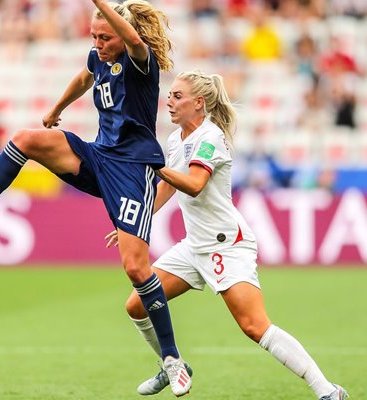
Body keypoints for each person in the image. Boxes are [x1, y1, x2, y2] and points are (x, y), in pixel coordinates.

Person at [0, 0, 192, 396]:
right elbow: (84, 77)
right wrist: (57, 109)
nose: (97, 43)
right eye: (93, 36)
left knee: (136, 269)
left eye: (104, 37)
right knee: (26, 138)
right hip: (99, 158)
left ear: (122, 35)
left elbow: (130, 36)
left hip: (133, 171)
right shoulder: (99, 57)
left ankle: (172, 359)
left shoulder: (139, 59)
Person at [105, 71, 349, 400]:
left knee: (255, 326)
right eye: (171, 94)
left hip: (226, 245)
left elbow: (193, 184)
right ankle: (172, 363)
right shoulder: (176, 139)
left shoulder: (211, 137)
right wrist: (138, 222)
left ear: (199, 103)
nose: (169, 100)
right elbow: (165, 187)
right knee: (137, 305)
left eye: (178, 96)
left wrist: (155, 166)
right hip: (195, 245)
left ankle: (328, 391)